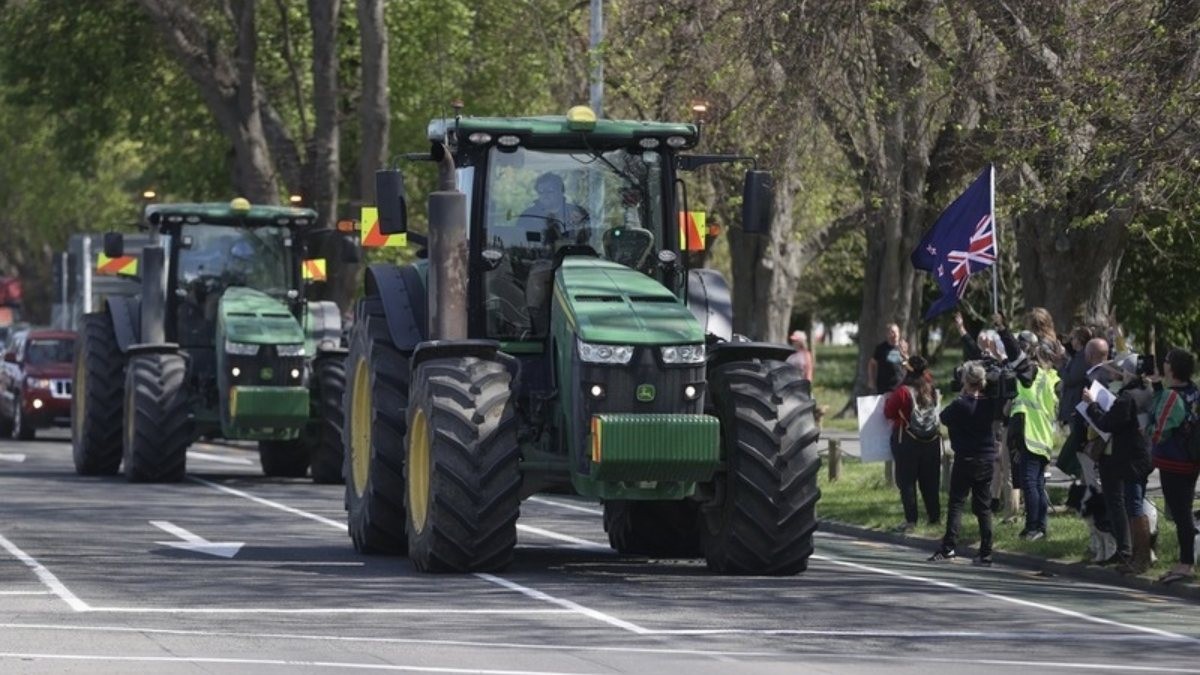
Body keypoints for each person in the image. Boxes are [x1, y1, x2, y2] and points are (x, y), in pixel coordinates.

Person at [1084, 353, 1154, 574]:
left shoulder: (1127, 398)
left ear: (1129, 373)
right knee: (1137, 503)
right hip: (1144, 454)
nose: (1120, 373)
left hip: (1130, 457)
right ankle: (1140, 556)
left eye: (1123, 370)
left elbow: (1106, 424)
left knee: (1133, 506)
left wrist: (1092, 405)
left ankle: (1139, 558)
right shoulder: (1147, 390)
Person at [929, 361, 998, 565]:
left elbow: (943, 417)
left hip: (966, 458)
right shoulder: (989, 402)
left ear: (966, 381)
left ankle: (949, 546)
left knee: (957, 503)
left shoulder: (960, 404)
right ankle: (986, 551)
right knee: (983, 507)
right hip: (986, 458)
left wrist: (961, 395)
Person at [1146, 348, 1200, 584]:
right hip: (1191, 458)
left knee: (1181, 514)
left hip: (1174, 461)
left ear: (1173, 368)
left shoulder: (1172, 396)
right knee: (1183, 510)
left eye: (1166, 361)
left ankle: (1186, 563)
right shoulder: (1193, 391)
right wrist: (1158, 387)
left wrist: (1147, 433)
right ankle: (1185, 559)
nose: (1163, 363)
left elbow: (1160, 429)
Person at [1008, 330, 1061, 541]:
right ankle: (1039, 526)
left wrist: (1004, 332)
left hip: (1031, 434)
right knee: (1037, 484)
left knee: (1030, 483)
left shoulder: (1033, 375)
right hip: (1043, 436)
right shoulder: (1051, 376)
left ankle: (1034, 527)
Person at [884, 355, 942, 531]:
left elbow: (888, 412)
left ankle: (911, 521)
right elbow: (926, 374)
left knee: (907, 481)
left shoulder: (902, 391)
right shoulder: (931, 388)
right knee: (930, 481)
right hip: (931, 441)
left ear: (908, 371)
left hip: (907, 440)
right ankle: (934, 518)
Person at [517, 172, 590, 248]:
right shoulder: (528, 216)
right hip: (536, 257)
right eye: (541, 191)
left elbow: (589, 238)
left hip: (572, 256)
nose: (545, 195)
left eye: (550, 191)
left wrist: (580, 225)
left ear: (561, 191)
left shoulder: (577, 212)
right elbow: (519, 240)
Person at [868, 323, 905, 395]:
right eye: (892, 332)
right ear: (887, 334)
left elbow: (905, 364)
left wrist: (905, 356)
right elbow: (872, 364)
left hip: (899, 385)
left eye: (897, 332)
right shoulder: (881, 348)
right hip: (884, 386)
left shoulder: (902, 348)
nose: (895, 334)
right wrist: (871, 380)